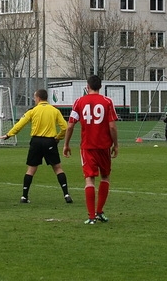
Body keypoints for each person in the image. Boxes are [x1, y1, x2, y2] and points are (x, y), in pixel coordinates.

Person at [0, 89, 73, 204]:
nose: (34, 100)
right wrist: (58, 138)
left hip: (36, 142)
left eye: (34, 98)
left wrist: (9, 134)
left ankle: (24, 197)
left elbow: (20, 124)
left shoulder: (33, 111)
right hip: (50, 141)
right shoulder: (54, 111)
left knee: (31, 169)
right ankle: (67, 195)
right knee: (58, 168)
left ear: (38, 98)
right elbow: (65, 127)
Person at [63, 75, 119, 225]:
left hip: (87, 147)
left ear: (87, 86)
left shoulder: (79, 102)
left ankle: (91, 216)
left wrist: (66, 144)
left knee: (89, 179)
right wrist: (116, 145)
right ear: (100, 86)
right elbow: (112, 126)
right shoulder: (107, 102)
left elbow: (70, 125)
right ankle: (100, 211)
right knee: (105, 177)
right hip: (104, 147)